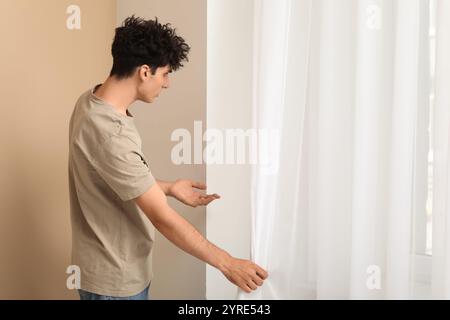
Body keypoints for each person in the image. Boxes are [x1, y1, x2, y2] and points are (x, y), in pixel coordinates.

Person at [68, 15, 268, 300]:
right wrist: (228, 263)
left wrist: (169, 187)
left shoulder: (91, 101)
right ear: (145, 72)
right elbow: (161, 218)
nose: (167, 84)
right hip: (115, 282)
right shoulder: (111, 134)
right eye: (165, 74)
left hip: (109, 271)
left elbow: (111, 177)